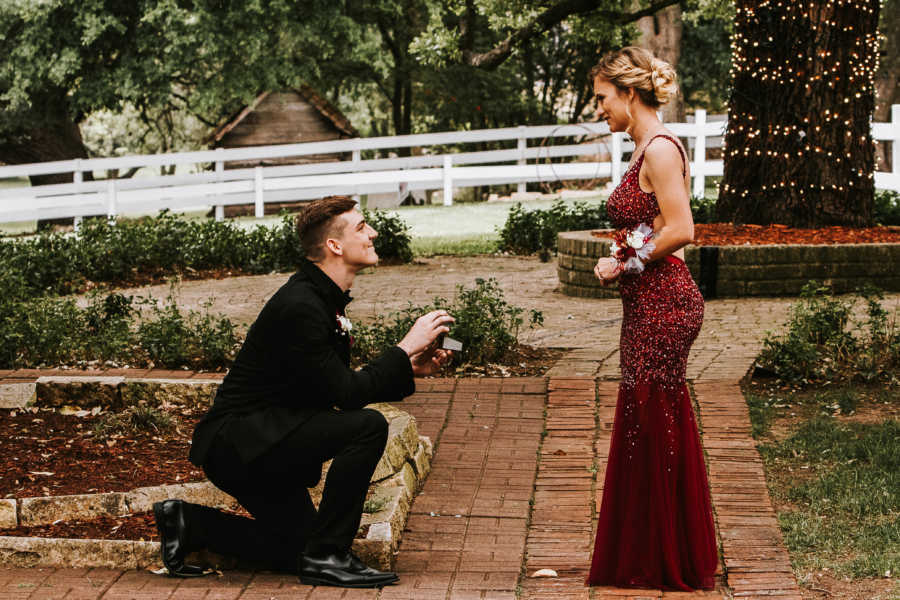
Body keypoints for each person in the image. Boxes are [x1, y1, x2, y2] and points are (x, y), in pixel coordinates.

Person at [152, 195, 454, 589]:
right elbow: (346, 395)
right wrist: (402, 349)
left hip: (270, 438)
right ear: (334, 245)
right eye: (362, 227)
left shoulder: (320, 299)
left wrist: (407, 367)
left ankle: (188, 522)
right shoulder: (302, 305)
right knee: (367, 426)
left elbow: (330, 383)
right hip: (242, 443)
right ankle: (329, 557)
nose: (373, 233)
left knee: (296, 549)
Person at [586, 47, 718, 591]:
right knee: (647, 420)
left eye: (602, 98)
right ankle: (653, 546)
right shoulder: (644, 146)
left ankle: (666, 553)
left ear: (629, 93)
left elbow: (682, 229)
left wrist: (623, 259)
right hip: (648, 304)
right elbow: (655, 223)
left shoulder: (660, 149)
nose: (599, 110)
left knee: (654, 419)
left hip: (666, 306)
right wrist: (627, 253)